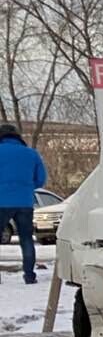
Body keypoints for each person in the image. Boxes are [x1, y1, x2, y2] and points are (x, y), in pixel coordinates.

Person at [0, 122, 48, 284]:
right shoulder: (31, 154)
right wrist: (26, 187)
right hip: (25, 202)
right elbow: (40, 180)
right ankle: (29, 275)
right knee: (26, 239)